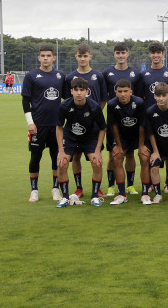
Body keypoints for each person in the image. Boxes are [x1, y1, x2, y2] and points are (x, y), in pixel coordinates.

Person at [22, 45, 66, 202]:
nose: (46, 58)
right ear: (38, 58)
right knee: (35, 157)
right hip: (38, 125)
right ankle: (34, 190)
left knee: (56, 158)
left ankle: (55, 189)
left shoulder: (61, 75)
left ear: (54, 58)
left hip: (56, 126)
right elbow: (26, 101)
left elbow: (67, 99)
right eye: (43, 55)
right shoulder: (31, 76)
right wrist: (30, 123)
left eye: (49, 55)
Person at [64, 43, 108, 199]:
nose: (82, 58)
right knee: (75, 157)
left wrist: (94, 115)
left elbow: (103, 99)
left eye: (85, 56)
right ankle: (79, 188)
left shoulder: (98, 76)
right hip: (75, 125)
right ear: (76, 57)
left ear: (90, 56)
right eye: (80, 56)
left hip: (94, 125)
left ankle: (97, 190)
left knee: (95, 158)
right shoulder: (70, 78)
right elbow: (67, 101)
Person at [54, 78, 106, 208]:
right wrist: (60, 151)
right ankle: (65, 198)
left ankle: (94, 196)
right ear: (71, 91)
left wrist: (98, 150)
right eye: (76, 90)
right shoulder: (64, 106)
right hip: (70, 137)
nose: (78, 93)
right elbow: (59, 127)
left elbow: (102, 128)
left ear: (87, 91)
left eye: (81, 90)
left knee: (97, 163)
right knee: (62, 163)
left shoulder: (94, 106)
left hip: (90, 137)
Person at [102, 42, 143, 197]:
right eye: (117, 53)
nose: (120, 55)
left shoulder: (135, 74)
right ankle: (111, 185)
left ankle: (130, 185)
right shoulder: (107, 73)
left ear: (127, 54)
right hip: (115, 119)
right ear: (114, 54)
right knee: (113, 154)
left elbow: (138, 97)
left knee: (131, 154)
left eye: (123, 52)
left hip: (132, 121)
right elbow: (104, 96)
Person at [140, 41, 168, 195]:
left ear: (163, 54)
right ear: (150, 54)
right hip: (151, 118)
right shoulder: (144, 74)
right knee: (151, 153)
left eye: (159, 52)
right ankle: (150, 183)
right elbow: (141, 96)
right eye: (153, 52)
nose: (156, 55)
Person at [106, 79, 148, 205]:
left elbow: (142, 125)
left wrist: (141, 145)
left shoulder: (139, 102)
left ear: (131, 91)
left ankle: (145, 194)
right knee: (117, 157)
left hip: (137, 133)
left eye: (125, 91)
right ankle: (122, 194)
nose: (123, 94)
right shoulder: (112, 104)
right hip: (121, 135)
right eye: (120, 91)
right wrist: (118, 145)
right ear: (115, 92)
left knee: (144, 157)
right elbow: (113, 125)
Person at [143, 82, 168, 204]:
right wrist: (155, 152)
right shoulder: (149, 112)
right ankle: (158, 194)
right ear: (154, 96)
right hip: (158, 145)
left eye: (163, 95)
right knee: (154, 167)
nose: (160, 98)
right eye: (158, 96)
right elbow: (151, 134)